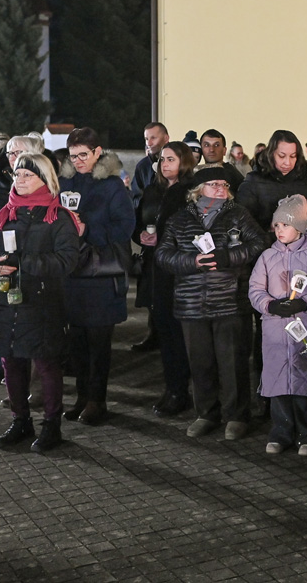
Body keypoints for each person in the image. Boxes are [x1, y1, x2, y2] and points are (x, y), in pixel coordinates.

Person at [0, 152, 83, 453]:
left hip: (42, 304)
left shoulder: (58, 217)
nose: (20, 180)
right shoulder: (4, 214)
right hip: (5, 302)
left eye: (28, 175)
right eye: (18, 174)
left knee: (46, 365)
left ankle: (52, 425)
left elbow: (67, 261)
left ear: (45, 179)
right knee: (11, 363)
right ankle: (20, 420)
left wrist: (23, 263)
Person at [157, 165, 269, 440]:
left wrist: (228, 257)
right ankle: (206, 413)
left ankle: (236, 415)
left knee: (233, 363)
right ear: (198, 191)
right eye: (214, 184)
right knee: (200, 363)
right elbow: (163, 254)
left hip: (230, 301)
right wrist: (192, 261)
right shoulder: (179, 220)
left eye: (224, 185)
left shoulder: (238, 214)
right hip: (191, 302)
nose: (221, 189)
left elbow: (260, 243)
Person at [59, 127, 136, 426]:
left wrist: (87, 229)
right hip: (73, 273)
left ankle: (97, 401)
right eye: (73, 156)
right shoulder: (65, 182)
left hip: (101, 276)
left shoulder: (113, 185)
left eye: (83, 155)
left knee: (98, 344)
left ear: (97, 152)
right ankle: (81, 397)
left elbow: (124, 227)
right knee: (76, 343)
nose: (78, 161)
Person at [249, 195, 307, 456]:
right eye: (276, 225)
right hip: (274, 331)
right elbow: (255, 289)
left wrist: (305, 303)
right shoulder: (267, 257)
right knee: (277, 382)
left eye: (285, 225)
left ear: (298, 226)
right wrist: (270, 306)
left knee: (305, 380)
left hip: (305, 329)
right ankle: (281, 432)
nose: (279, 230)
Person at [133, 142, 196, 415]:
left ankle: (181, 391)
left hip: (179, 271)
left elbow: (194, 232)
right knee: (164, 330)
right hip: (155, 268)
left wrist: (165, 240)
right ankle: (172, 388)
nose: (165, 164)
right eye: (162, 159)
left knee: (179, 333)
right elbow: (138, 222)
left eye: (171, 159)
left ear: (184, 162)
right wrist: (140, 236)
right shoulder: (152, 190)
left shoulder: (190, 193)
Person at [237, 129, 307, 230]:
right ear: (271, 154)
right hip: (263, 238)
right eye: (282, 156)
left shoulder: (305, 181)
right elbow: (242, 221)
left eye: (293, 156)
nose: (287, 162)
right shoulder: (253, 181)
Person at [131, 122, 170, 204]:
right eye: (146, 139)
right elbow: (135, 198)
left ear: (166, 138)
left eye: (153, 138)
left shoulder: (179, 161)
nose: (149, 143)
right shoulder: (142, 166)